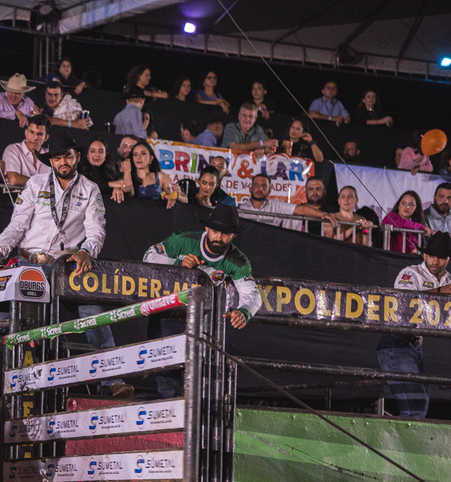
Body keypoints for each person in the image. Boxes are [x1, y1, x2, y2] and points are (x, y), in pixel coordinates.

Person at [0, 130, 130, 397]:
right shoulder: (35, 184)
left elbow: (96, 230)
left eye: (67, 156)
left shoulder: (90, 189)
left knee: (93, 312)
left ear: (77, 157)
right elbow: (17, 225)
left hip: (66, 267)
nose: (63, 162)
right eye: (57, 158)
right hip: (29, 264)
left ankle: (112, 381)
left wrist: (87, 251)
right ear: (50, 161)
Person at [142, 205, 260, 397]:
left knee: (202, 379)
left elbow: (251, 294)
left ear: (234, 235)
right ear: (207, 228)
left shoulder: (238, 261)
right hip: (169, 314)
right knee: (167, 375)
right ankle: (170, 410)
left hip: (205, 321)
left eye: (225, 233)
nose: (219, 237)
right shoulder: (183, 240)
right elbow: (148, 256)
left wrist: (244, 311)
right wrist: (177, 264)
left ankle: (196, 411)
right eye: (215, 231)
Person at [377, 233, 451, 418]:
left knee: (419, 401)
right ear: (424, 255)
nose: (435, 261)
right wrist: (441, 291)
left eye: (441, 257)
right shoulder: (410, 274)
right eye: (431, 255)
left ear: (448, 259)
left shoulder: (448, 279)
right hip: (395, 343)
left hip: (413, 347)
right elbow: (404, 303)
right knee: (416, 402)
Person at [239, 173, 328, 232]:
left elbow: (301, 209)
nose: (260, 189)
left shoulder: (276, 205)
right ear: (250, 189)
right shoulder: (241, 208)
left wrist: (323, 214)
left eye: (264, 186)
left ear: (269, 190)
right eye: (256, 185)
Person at [120, 139, 180, 207]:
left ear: (151, 158)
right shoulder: (127, 177)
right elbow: (128, 193)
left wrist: (177, 195)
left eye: (143, 154)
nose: (138, 157)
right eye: (135, 155)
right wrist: (127, 171)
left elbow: (184, 199)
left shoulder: (160, 177)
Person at [0, 113, 50, 187]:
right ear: (26, 132)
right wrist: (43, 184)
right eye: (31, 132)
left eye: (39, 134)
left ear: (46, 137)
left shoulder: (50, 154)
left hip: (43, 195)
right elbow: (13, 179)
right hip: (17, 194)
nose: (34, 138)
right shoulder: (13, 149)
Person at [78, 136, 124, 202]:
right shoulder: (79, 172)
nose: (97, 155)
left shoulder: (112, 172)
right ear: (87, 155)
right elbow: (85, 191)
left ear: (106, 155)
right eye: (93, 151)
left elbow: (122, 185)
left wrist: (118, 188)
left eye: (101, 151)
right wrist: (110, 184)